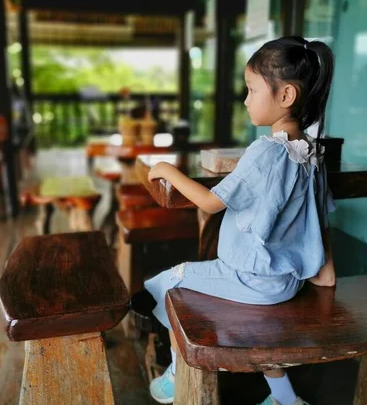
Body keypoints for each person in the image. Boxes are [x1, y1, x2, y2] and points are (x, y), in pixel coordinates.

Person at [144, 36, 337, 405]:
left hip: (250, 280)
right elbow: (322, 220)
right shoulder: (314, 153)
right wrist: (326, 274)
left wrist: (166, 169)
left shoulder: (265, 152)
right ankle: (285, 398)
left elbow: (211, 202)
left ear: (286, 97)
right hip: (287, 281)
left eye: (251, 90)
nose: (246, 100)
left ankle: (175, 374)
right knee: (252, 325)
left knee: (167, 287)